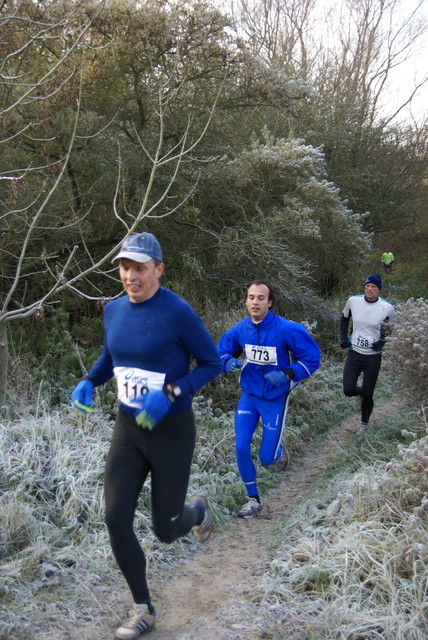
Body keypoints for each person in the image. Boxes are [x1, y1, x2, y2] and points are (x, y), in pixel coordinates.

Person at [71, 232, 221, 639]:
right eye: (124, 267)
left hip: (170, 431)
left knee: (165, 531)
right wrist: (90, 379)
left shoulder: (177, 312)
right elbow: (113, 357)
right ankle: (143, 607)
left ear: (158, 269)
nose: (130, 276)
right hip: (128, 429)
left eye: (139, 268)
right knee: (115, 517)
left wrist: (172, 392)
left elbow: (211, 363)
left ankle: (198, 512)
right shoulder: (114, 309)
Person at [217, 280, 321, 518]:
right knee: (241, 448)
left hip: (275, 398)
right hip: (249, 396)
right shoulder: (240, 330)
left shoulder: (287, 329)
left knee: (266, 458)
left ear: (270, 303)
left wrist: (287, 373)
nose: (255, 302)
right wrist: (227, 361)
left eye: (261, 298)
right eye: (251, 297)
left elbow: (312, 358)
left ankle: (278, 451)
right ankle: (253, 501)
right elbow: (221, 350)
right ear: (246, 301)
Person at [340, 273, 395, 436]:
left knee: (369, 393)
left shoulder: (387, 308)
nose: (369, 290)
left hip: (373, 356)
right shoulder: (353, 301)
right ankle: (360, 394)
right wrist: (343, 338)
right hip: (355, 352)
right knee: (349, 389)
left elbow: (390, 327)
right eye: (367, 286)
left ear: (379, 290)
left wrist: (382, 342)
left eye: (374, 287)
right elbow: (344, 319)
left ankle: (364, 424)